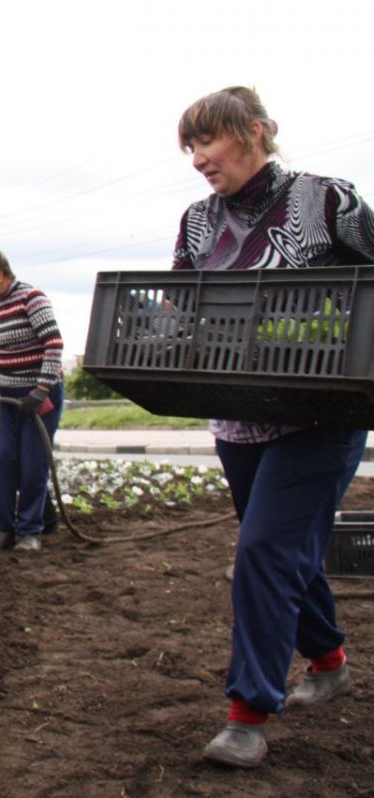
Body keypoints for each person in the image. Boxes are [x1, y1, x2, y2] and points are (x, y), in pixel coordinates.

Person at [172, 85, 374, 769]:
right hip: (240, 419)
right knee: (283, 551)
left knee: (261, 553)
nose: (199, 157)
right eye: (190, 147)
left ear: (256, 132)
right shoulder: (198, 222)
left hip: (323, 415)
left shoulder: (326, 201)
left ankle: (248, 713)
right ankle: (330, 659)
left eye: (210, 141)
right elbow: (180, 305)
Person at [0, 249, 64, 552]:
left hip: (38, 397)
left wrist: (41, 388)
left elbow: (53, 343)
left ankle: (30, 532)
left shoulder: (32, 299)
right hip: (6, 398)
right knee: (1, 459)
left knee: (33, 464)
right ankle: (3, 529)